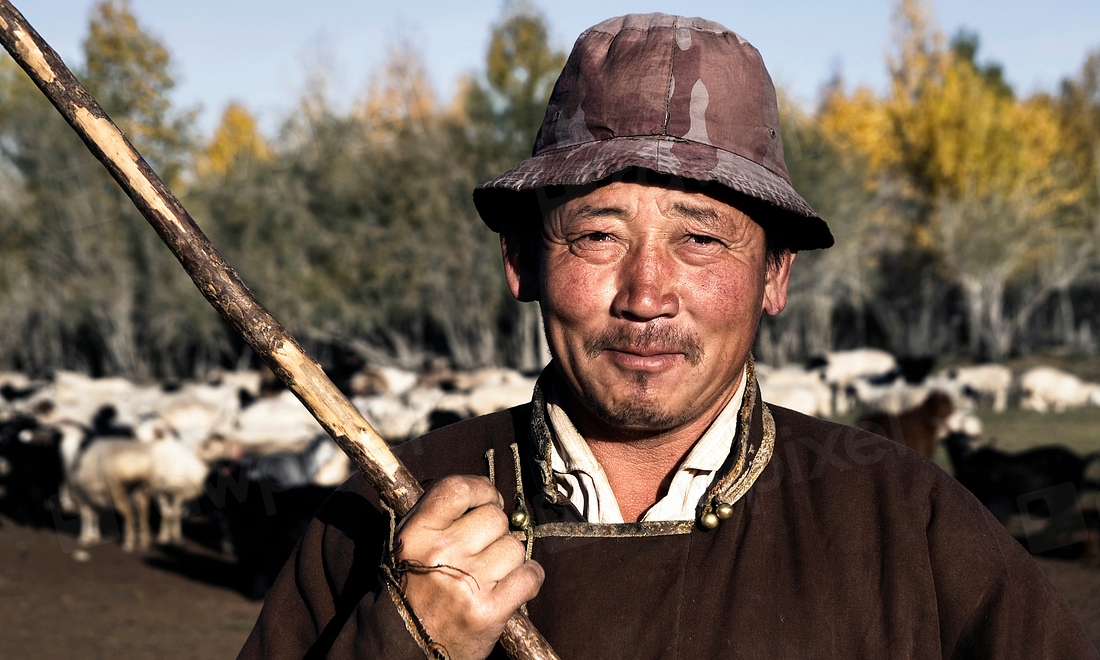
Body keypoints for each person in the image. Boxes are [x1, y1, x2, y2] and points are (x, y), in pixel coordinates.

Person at [239, 13, 1097, 659]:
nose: (647, 295)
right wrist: (402, 645)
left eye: (701, 238)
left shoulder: (907, 525)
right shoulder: (391, 512)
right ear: (522, 260)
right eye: (598, 235)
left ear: (775, 276)